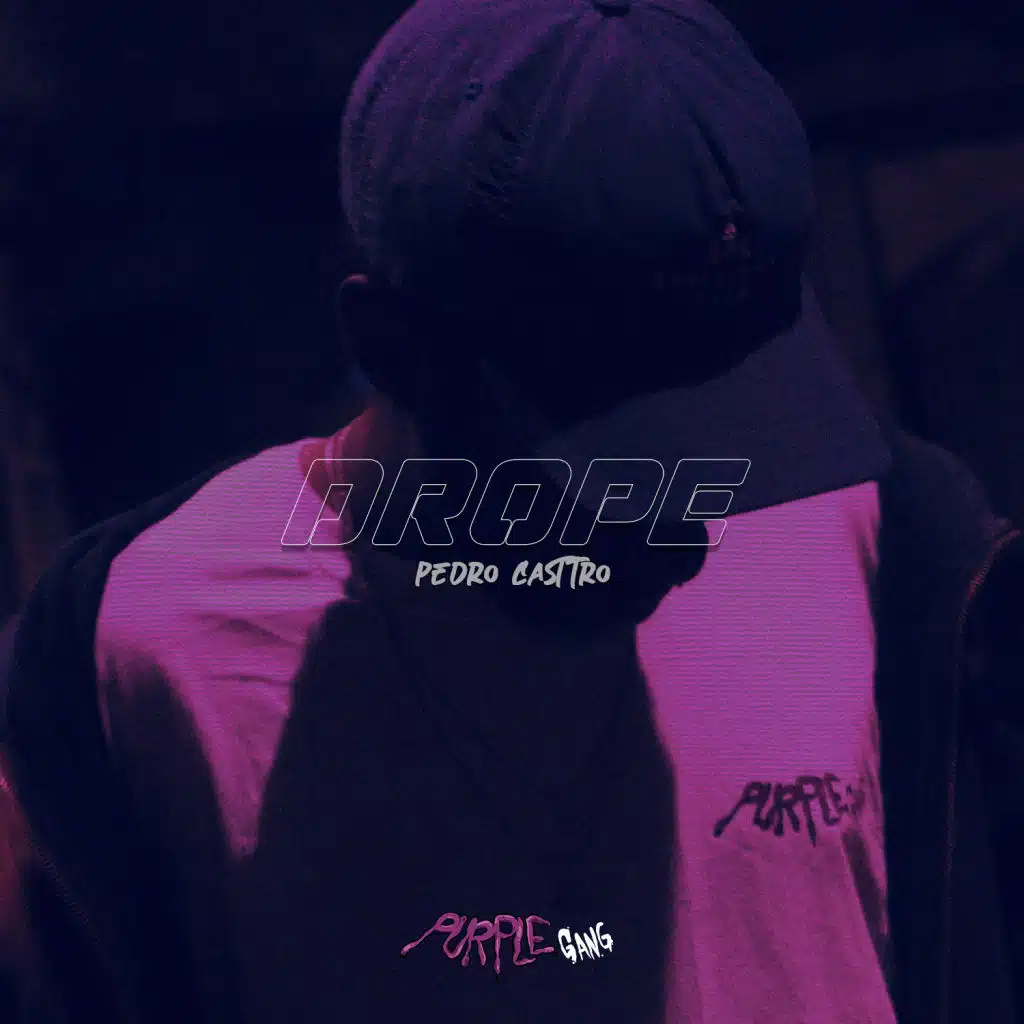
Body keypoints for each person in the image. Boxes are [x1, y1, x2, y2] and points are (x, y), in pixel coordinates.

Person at [2, 1, 1023, 1021]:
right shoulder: (141, 658)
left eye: (742, 434)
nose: (696, 525)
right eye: (622, 465)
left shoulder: (884, 531)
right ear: (395, 349)